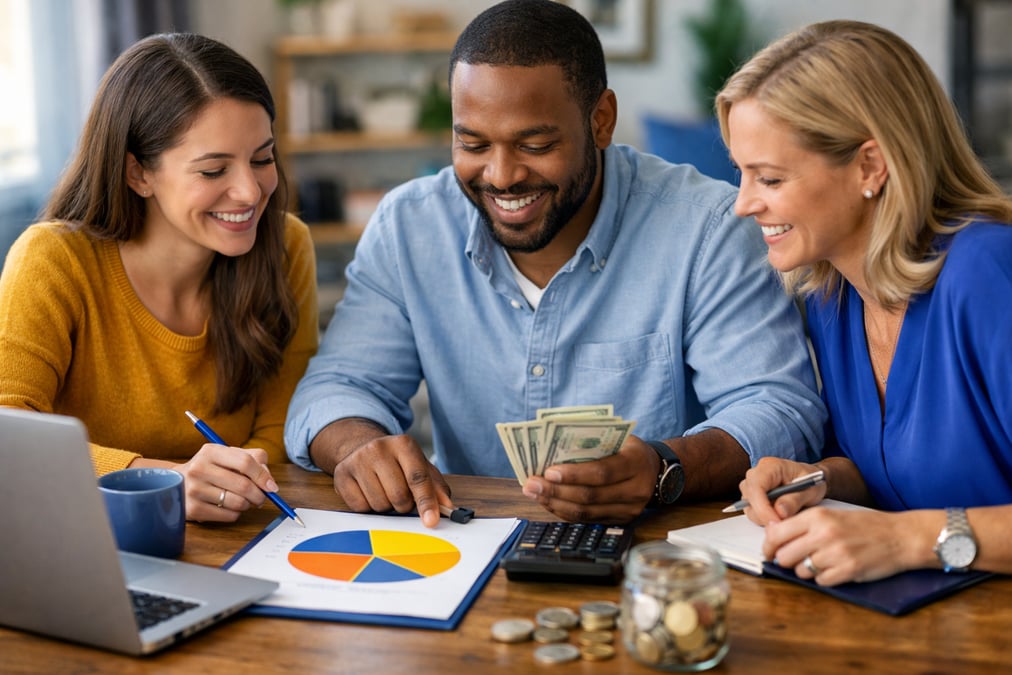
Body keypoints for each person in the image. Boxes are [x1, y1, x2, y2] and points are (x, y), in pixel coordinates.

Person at [285, 0, 825, 527]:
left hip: (657, 564)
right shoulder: (409, 226)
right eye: (472, 143)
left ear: (602, 122)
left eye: (536, 144)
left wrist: (664, 467)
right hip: (463, 548)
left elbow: (779, 410)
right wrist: (358, 445)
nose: (500, 176)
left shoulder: (707, 227)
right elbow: (336, 388)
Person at [718, 20, 1012, 586]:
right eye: (742, 175)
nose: (743, 204)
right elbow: (899, 470)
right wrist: (819, 479)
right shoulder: (831, 290)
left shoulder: (988, 274)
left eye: (770, 178)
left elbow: (913, 520)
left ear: (869, 167)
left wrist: (906, 539)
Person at [0, 33, 319, 523]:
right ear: (138, 174)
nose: (250, 191)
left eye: (262, 158)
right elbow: (9, 435)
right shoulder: (53, 260)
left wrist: (237, 484)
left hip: (233, 533)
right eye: (213, 171)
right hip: (81, 537)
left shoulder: (286, 245)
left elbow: (280, 427)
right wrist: (162, 481)